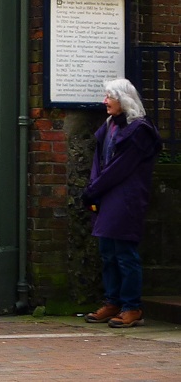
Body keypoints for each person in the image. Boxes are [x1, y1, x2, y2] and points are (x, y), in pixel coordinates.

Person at [83, 78, 162, 328]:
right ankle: (113, 301)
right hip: (106, 194)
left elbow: (121, 167)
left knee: (124, 253)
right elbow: (99, 160)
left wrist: (94, 188)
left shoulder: (139, 130)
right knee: (108, 251)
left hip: (126, 196)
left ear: (124, 100)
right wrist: (94, 188)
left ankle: (131, 306)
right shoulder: (109, 126)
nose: (105, 101)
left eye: (110, 97)